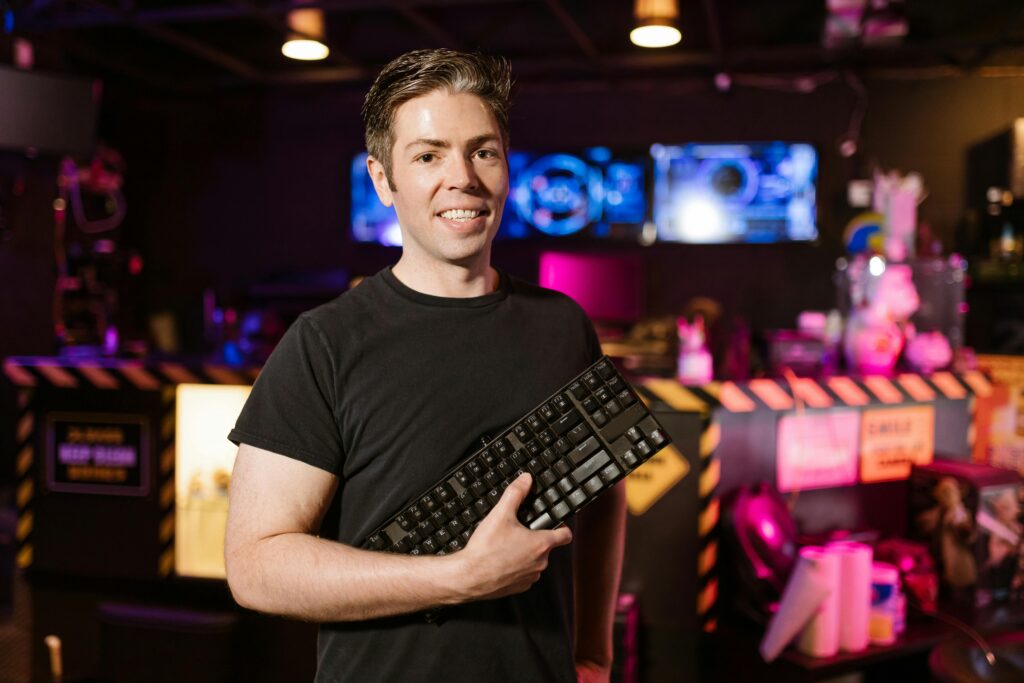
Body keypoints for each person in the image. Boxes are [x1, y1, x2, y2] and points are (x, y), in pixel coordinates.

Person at [224, 49, 627, 683]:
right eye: (428, 155)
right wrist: (460, 579)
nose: (461, 177)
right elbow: (255, 567)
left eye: (483, 151)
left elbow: (603, 496)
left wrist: (595, 653)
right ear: (382, 179)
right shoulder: (325, 344)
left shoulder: (563, 325)